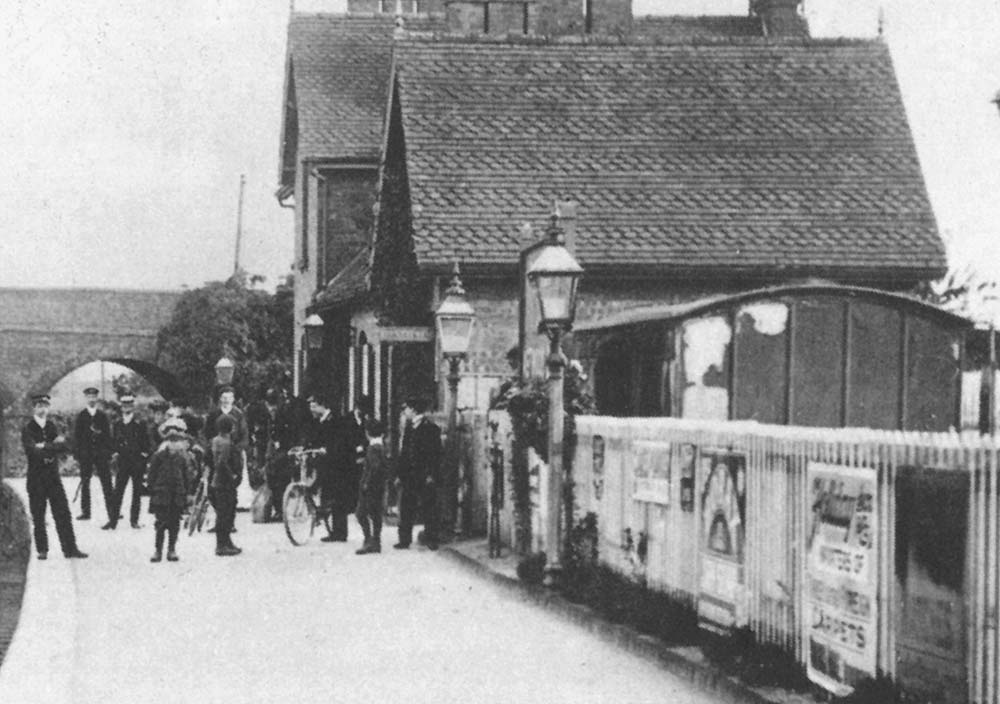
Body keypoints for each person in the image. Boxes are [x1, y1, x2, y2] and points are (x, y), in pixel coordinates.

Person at [21, 394, 88, 560]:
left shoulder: (51, 426)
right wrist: (51, 448)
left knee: (63, 513)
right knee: (38, 514)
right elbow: (31, 451)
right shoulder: (28, 428)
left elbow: (63, 445)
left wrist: (44, 445)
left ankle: (70, 548)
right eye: (39, 405)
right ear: (34, 408)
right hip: (36, 478)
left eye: (45, 405)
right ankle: (42, 550)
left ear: (48, 407)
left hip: (53, 477)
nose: (42, 408)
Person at [394, 396, 442, 550]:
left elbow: (436, 455)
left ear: (413, 410)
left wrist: (431, 474)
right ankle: (404, 539)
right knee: (406, 507)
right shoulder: (409, 428)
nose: (404, 412)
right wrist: (400, 475)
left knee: (429, 507)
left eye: (405, 408)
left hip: (424, 474)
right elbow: (404, 454)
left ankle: (431, 538)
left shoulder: (431, 429)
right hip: (409, 475)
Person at [146, 418, 192, 562]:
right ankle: (158, 550)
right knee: (160, 523)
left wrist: (188, 493)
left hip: (177, 494)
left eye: (176, 441)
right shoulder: (158, 457)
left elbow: (187, 477)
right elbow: (151, 475)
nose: (173, 444)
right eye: (170, 441)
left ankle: (172, 549)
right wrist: (152, 490)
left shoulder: (183, 458)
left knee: (174, 523)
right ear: (165, 442)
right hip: (161, 494)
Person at [109, 393, 151, 529]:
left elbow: (146, 442)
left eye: (129, 405)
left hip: (137, 461)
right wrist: (115, 453)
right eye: (124, 405)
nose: (126, 408)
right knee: (118, 491)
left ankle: (134, 520)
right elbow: (114, 442)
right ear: (121, 407)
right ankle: (113, 520)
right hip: (123, 462)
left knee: (137, 492)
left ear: (133, 406)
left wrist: (144, 457)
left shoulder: (140, 423)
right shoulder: (117, 424)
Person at [74, 386, 114, 525]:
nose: (92, 399)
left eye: (94, 397)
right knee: (85, 482)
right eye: (89, 397)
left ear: (97, 399)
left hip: (100, 454)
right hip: (86, 454)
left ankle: (112, 511)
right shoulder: (81, 416)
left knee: (107, 483)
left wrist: (107, 452)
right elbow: (77, 437)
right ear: (86, 398)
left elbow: (108, 436)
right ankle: (86, 512)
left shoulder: (102, 416)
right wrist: (78, 454)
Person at [305, 393, 342, 541]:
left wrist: (328, 449)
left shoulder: (335, 420)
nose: (311, 410)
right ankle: (332, 530)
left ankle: (340, 532)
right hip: (324, 463)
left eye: (314, 407)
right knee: (326, 495)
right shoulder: (319, 420)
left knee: (336, 498)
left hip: (335, 464)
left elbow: (339, 442)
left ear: (322, 406)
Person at [210, 415, 242, 557]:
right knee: (226, 513)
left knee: (223, 512)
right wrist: (233, 476)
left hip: (217, 481)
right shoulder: (226, 443)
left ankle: (226, 542)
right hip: (226, 482)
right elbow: (222, 462)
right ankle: (222, 544)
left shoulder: (216, 440)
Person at [205, 386, 249, 489]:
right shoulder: (214, 414)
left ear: (233, 399)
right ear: (220, 399)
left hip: (234, 451)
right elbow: (207, 432)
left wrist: (238, 448)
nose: (227, 400)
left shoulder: (238, 414)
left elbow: (244, 433)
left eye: (229, 398)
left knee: (235, 476)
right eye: (224, 398)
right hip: (217, 449)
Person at [355, 419, 388, 555]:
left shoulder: (372, 448)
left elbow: (374, 467)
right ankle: (376, 541)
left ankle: (368, 540)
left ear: (367, 433)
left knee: (361, 513)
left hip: (370, 487)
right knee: (376, 514)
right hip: (379, 486)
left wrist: (366, 483)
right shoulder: (381, 446)